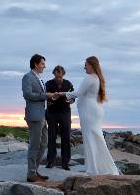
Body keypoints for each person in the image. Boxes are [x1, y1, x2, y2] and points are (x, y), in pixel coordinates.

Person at [58, 56, 119, 175]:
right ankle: (98, 167)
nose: (84, 67)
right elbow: (84, 95)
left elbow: (78, 93)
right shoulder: (97, 78)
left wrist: (61, 94)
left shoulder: (90, 78)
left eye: (86, 64)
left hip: (89, 112)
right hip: (94, 110)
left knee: (90, 139)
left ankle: (93, 169)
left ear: (91, 65)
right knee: (95, 138)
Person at [22, 54, 59, 182]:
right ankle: (31, 174)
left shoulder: (38, 77)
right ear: (36, 64)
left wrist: (49, 97)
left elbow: (40, 96)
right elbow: (27, 94)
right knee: (34, 145)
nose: (44, 66)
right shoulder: (27, 77)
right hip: (34, 116)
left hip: (41, 115)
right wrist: (45, 95)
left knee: (44, 143)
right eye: (42, 64)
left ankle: (34, 170)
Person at [45, 65, 74, 170]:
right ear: (54, 74)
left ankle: (65, 163)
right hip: (51, 112)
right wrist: (53, 95)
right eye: (57, 76)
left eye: (60, 77)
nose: (58, 79)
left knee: (66, 137)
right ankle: (50, 161)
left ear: (63, 74)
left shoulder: (68, 83)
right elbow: (45, 94)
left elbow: (73, 96)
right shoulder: (48, 83)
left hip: (65, 113)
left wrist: (71, 100)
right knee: (51, 137)